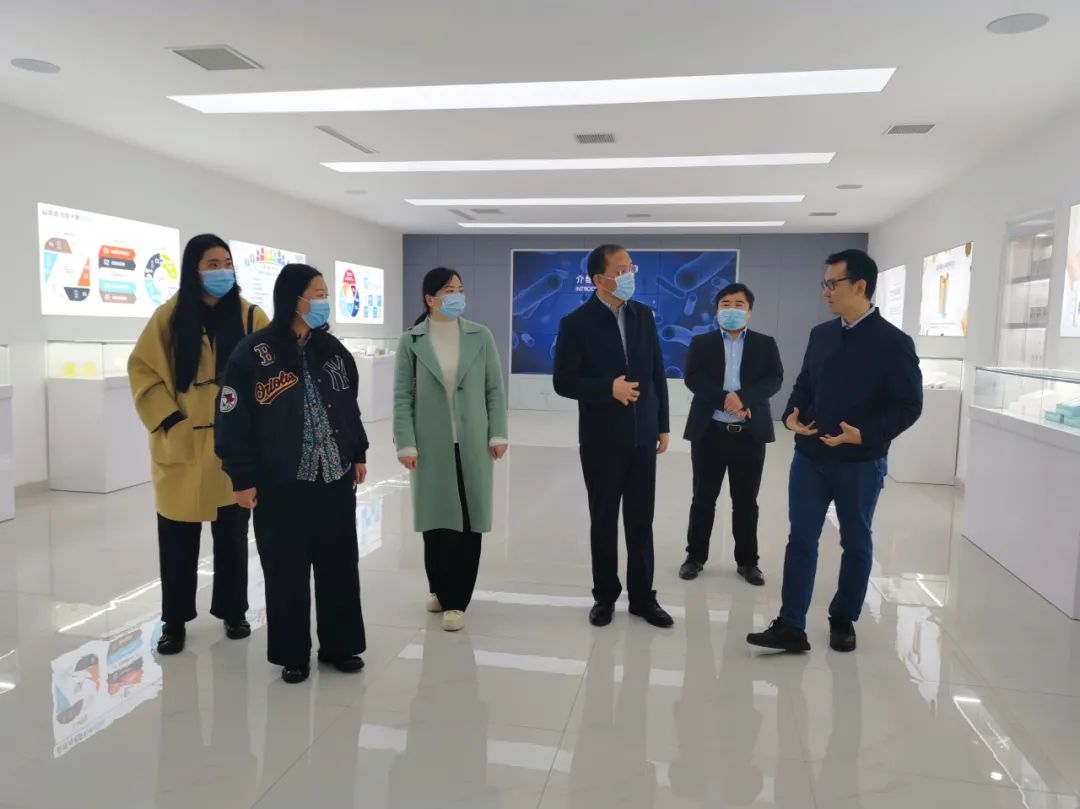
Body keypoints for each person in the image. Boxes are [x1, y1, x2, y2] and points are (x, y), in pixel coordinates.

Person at [748, 249, 922, 654]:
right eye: (824, 283)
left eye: (832, 283)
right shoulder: (821, 334)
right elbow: (805, 383)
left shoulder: (894, 343)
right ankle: (791, 624)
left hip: (859, 463)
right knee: (801, 539)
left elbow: (909, 405)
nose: (825, 291)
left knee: (856, 542)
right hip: (810, 458)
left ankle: (843, 618)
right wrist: (792, 413)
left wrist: (863, 435)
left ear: (859, 286)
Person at [215, 263, 368, 683]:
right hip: (281, 481)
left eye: (325, 294)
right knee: (286, 569)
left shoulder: (333, 350)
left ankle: (340, 646)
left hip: (333, 474)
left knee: (340, 565)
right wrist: (241, 477)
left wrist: (357, 451)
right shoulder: (252, 354)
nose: (324, 301)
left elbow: (348, 405)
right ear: (293, 299)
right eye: (317, 294)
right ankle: (292, 653)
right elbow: (232, 418)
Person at [129, 233, 269, 656]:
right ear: (193, 269)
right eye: (212, 264)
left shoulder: (250, 317)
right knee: (176, 540)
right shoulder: (168, 318)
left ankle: (234, 610)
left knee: (232, 537)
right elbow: (143, 371)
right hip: (182, 448)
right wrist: (170, 421)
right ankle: (173, 620)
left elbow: (271, 374)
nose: (221, 271)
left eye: (226, 263)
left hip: (233, 449)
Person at [554, 244, 674, 629]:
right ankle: (604, 596)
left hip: (643, 435)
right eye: (620, 270)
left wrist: (663, 425)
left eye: (630, 268)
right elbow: (563, 381)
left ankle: (643, 598)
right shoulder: (576, 323)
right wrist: (608, 388)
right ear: (598, 279)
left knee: (641, 520)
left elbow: (657, 373)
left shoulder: (643, 316)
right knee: (604, 520)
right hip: (601, 439)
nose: (629, 275)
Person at [393, 267, 509, 633]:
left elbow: (494, 389)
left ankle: (458, 599)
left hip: (472, 441)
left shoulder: (480, 335)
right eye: (448, 290)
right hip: (430, 443)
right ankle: (439, 589)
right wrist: (405, 441)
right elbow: (402, 396)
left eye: (460, 288)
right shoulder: (411, 341)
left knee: (469, 520)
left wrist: (498, 433)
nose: (457, 295)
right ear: (430, 299)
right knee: (436, 520)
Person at [679, 282, 783, 585]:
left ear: (749, 312)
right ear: (716, 311)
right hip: (709, 432)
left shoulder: (765, 344)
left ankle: (748, 562)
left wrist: (745, 399)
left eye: (739, 305)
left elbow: (774, 378)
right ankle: (695, 557)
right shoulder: (702, 343)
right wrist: (726, 399)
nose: (732, 310)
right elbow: (693, 378)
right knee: (703, 499)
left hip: (749, 435)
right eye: (725, 304)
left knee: (746, 502)